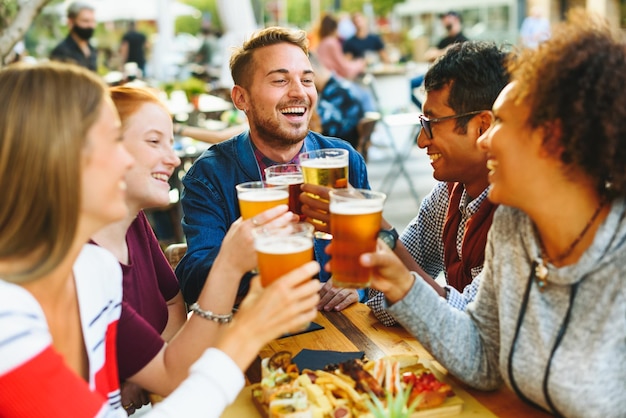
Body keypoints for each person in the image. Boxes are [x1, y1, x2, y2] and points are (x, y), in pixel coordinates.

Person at [0, 61, 321, 417]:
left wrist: (233, 276)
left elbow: (168, 372)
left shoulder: (93, 271)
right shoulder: (7, 318)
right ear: (50, 157)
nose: (127, 162)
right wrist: (246, 332)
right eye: (111, 142)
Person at [355, 10, 626, 416]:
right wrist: (404, 287)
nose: (486, 141)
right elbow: (482, 356)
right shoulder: (515, 228)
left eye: (500, 122)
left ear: (551, 140)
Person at [304, 41, 509, 326]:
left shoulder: (519, 211)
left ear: (483, 127)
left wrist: (377, 226)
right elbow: (379, 297)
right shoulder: (448, 194)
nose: (421, 141)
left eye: (432, 124)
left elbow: (473, 328)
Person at [176, 27, 371, 312]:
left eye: (307, 80)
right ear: (241, 98)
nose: (299, 92)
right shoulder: (209, 175)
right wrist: (247, 256)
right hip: (257, 335)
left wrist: (358, 285)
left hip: (343, 331)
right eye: (280, 80)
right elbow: (193, 279)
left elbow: (374, 252)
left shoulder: (345, 160)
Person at [410, 11, 469, 109]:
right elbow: (428, 55)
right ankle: (422, 109)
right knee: (408, 85)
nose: (444, 21)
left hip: (450, 76)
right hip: (435, 73)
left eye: (447, 18)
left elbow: (455, 51)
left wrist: (440, 53)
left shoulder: (463, 39)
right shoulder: (444, 40)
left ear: (456, 19)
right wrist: (445, 51)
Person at [309, 52, 366, 149]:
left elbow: (320, 133)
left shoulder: (334, 94)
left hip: (339, 152)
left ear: (313, 72)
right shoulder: (341, 86)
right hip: (348, 148)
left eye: (305, 79)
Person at [315, 14, 366, 81]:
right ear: (334, 28)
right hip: (333, 81)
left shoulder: (322, 43)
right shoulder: (332, 43)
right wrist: (360, 63)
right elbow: (344, 69)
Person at [50, 1, 97, 71]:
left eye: (93, 21)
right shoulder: (61, 52)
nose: (91, 26)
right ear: (71, 22)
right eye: (85, 21)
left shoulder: (92, 50)